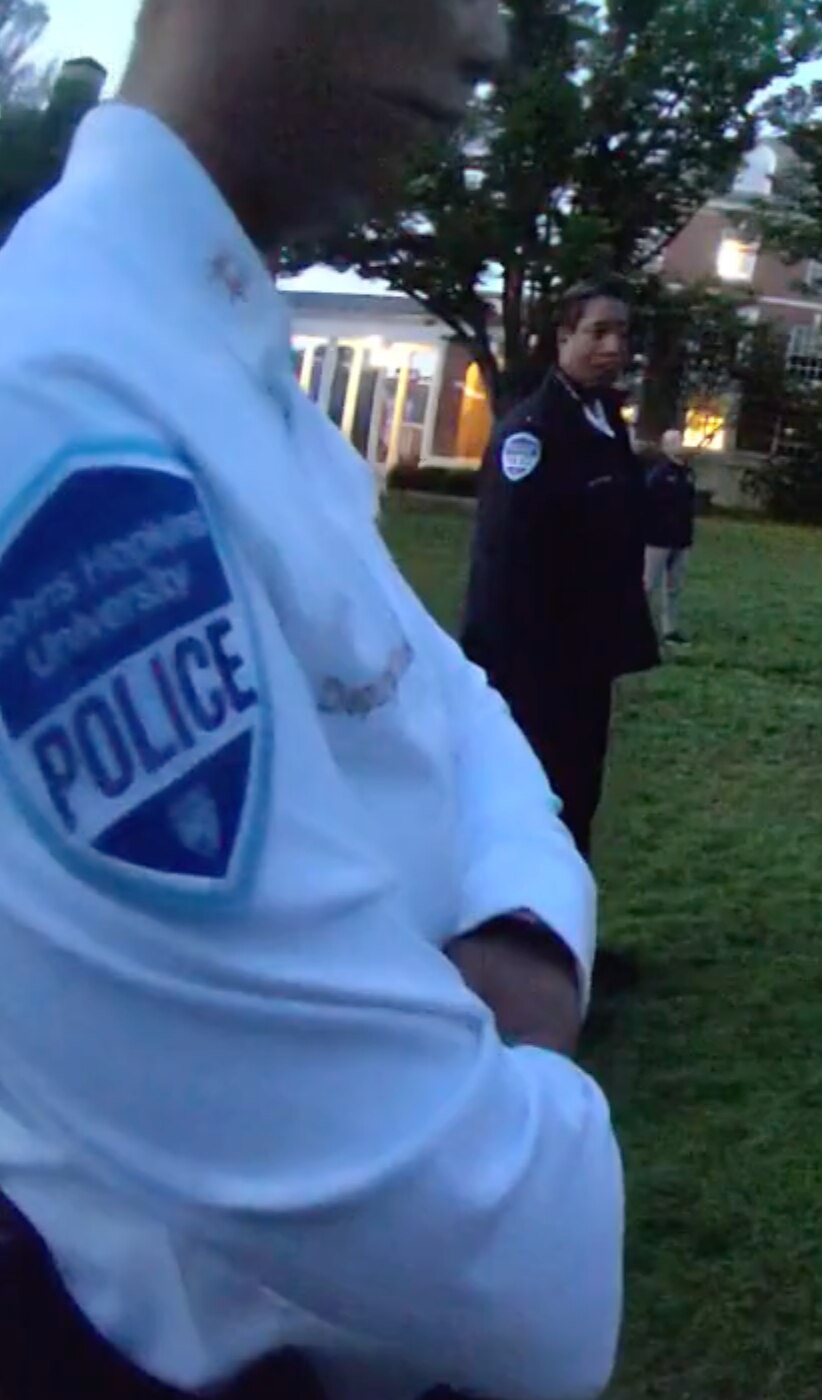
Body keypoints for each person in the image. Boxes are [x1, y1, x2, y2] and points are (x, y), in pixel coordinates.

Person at [0, 3, 623, 1397]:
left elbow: (455, 698)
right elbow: (505, 1260)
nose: (490, 41)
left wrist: (523, 927)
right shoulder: (52, 401)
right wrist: (530, 1110)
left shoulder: (219, 367)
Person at [463, 277, 661, 857]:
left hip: (586, 662)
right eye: (598, 332)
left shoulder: (605, 422)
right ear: (564, 337)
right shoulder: (532, 434)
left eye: (622, 334)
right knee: (535, 805)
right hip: (536, 666)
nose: (613, 347)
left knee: (577, 798)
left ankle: (568, 909)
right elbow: (504, 559)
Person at [642, 430, 698, 646]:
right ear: (664, 447)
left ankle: (670, 630)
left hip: (681, 539)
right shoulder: (658, 474)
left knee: (674, 588)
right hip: (658, 539)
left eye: (680, 441)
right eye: (673, 442)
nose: (678, 445)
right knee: (648, 585)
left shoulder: (688, 473)